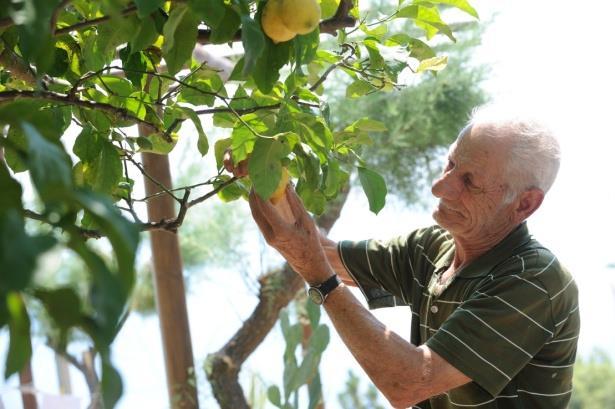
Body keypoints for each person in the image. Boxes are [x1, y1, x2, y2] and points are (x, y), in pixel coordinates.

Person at [229, 105, 580, 408]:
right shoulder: (433, 247)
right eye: (451, 163)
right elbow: (325, 254)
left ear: (525, 204)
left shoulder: (534, 280)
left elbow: (409, 383)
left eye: (470, 181)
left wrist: (320, 279)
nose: (440, 187)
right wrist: (268, 174)